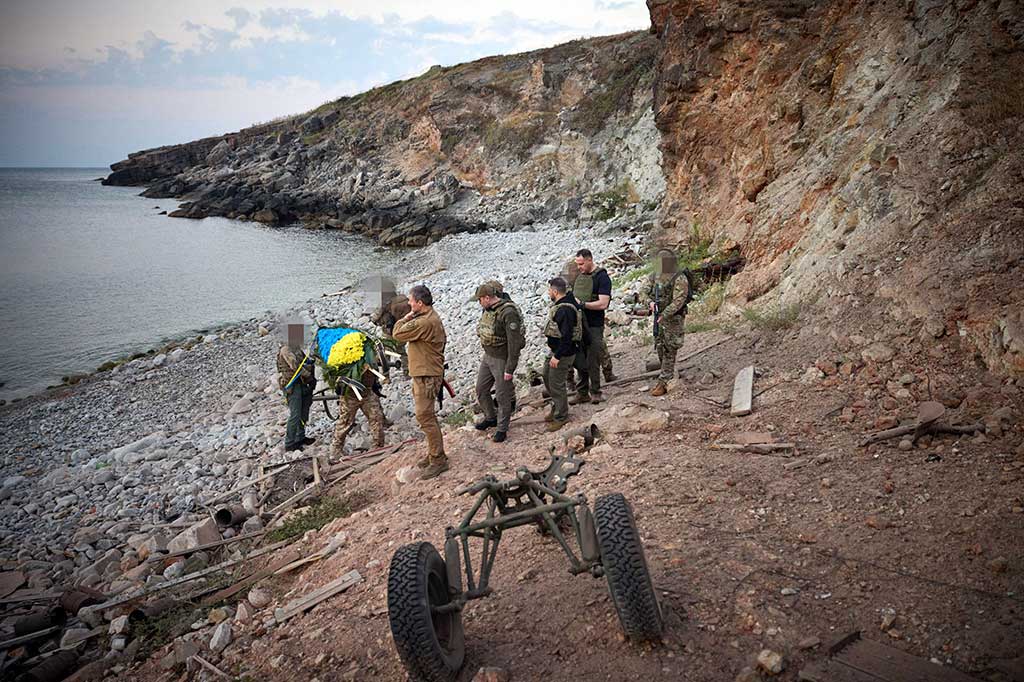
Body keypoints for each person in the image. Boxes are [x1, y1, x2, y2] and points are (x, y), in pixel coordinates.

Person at [392, 285, 449, 479]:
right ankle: (434, 452)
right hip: (425, 373)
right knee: (426, 416)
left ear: (420, 303)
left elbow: (397, 334)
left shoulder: (424, 323)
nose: (409, 304)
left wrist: (406, 317)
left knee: (425, 416)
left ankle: (438, 459)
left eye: (411, 301)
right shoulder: (429, 318)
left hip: (427, 375)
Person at [473, 281, 525, 443]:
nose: (479, 303)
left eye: (480, 299)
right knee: (481, 389)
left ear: (487, 298)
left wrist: (510, 368)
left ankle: (502, 429)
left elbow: (514, 343)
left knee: (503, 396)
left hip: (501, 358)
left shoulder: (508, 312)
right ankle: (491, 417)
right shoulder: (488, 310)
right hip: (488, 355)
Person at [645, 248, 690, 396]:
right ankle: (667, 373)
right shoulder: (655, 276)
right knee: (659, 346)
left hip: (673, 318)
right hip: (659, 316)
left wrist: (665, 314)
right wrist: (650, 303)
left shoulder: (679, 277)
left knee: (670, 348)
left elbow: (679, 300)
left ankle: (664, 381)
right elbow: (643, 291)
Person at [571, 248, 612, 404]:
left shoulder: (602, 277)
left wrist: (583, 305)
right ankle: (582, 392)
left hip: (594, 324)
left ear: (589, 260)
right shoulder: (580, 277)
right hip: (579, 323)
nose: (579, 267)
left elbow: (603, 303)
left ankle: (595, 391)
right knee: (579, 357)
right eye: (577, 264)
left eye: (581, 264)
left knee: (593, 358)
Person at [543, 277, 582, 432]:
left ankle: (561, 416)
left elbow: (566, 337)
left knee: (556, 384)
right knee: (546, 375)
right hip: (556, 350)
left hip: (563, 353)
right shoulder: (564, 303)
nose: (548, 293)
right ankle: (556, 406)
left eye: (549, 290)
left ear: (554, 291)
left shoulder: (564, 310)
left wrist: (557, 356)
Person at [276, 323, 316, 452]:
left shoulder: (297, 348)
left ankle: (300, 437)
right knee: (295, 414)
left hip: (303, 384)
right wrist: (308, 374)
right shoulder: (286, 350)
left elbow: (305, 361)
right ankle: (290, 442)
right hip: (292, 386)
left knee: (304, 412)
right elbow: (296, 366)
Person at [331, 366, 386, 456]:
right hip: (349, 394)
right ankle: (336, 450)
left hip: (367, 391)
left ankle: (378, 445)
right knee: (345, 422)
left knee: (376, 418)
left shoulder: (370, 354)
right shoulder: (341, 355)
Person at [370, 292, 412, 377]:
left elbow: (376, 318)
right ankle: (407, 372)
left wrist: (373, 319)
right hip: (401, 331)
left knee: (386, 355)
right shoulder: (402, 299)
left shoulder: (384, 304)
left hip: (389, 333)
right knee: (402, 352)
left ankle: (386, 376)